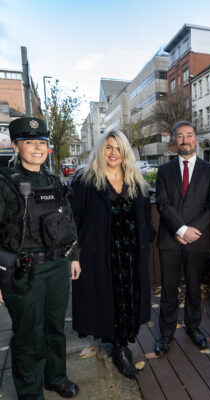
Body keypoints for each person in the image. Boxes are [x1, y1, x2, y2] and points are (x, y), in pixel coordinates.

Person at [0, 117, 81, 399]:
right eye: (29, 142)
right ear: (15, 146)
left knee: (55, 329)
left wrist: (74, 256)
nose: (37, 148)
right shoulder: (4, 183)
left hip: (58, 265)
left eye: (41, 143)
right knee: (27, 336)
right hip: (23, 273)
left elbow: (68, 221)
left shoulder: (53, 181)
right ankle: (31, 394)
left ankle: (55, 377)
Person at [70, 130, 155, 379]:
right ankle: (118, 348)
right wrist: (74, 255)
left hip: (130, 254)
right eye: (108, 147)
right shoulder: (85, 181)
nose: (113, 153)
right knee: (109, 300)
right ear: (100, 150)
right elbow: (73, 220)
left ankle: (121, 343)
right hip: (101, 255)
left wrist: (147, 235)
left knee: (130, 299)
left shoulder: (135, 179)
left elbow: (147, 212)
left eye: (118, 148)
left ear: (125, 152)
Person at [155, 121, 210, 356]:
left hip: (198, 239)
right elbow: (162, 203)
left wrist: (192, 231)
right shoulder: (164, 170)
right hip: (170, 240)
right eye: (179, 136)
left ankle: (193, 328)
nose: (184, 140)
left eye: (189, 135)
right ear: (174, 141)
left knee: (194, 288)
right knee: (169, 290)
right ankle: (166, 334)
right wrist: (181, 229)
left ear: (196, 139)